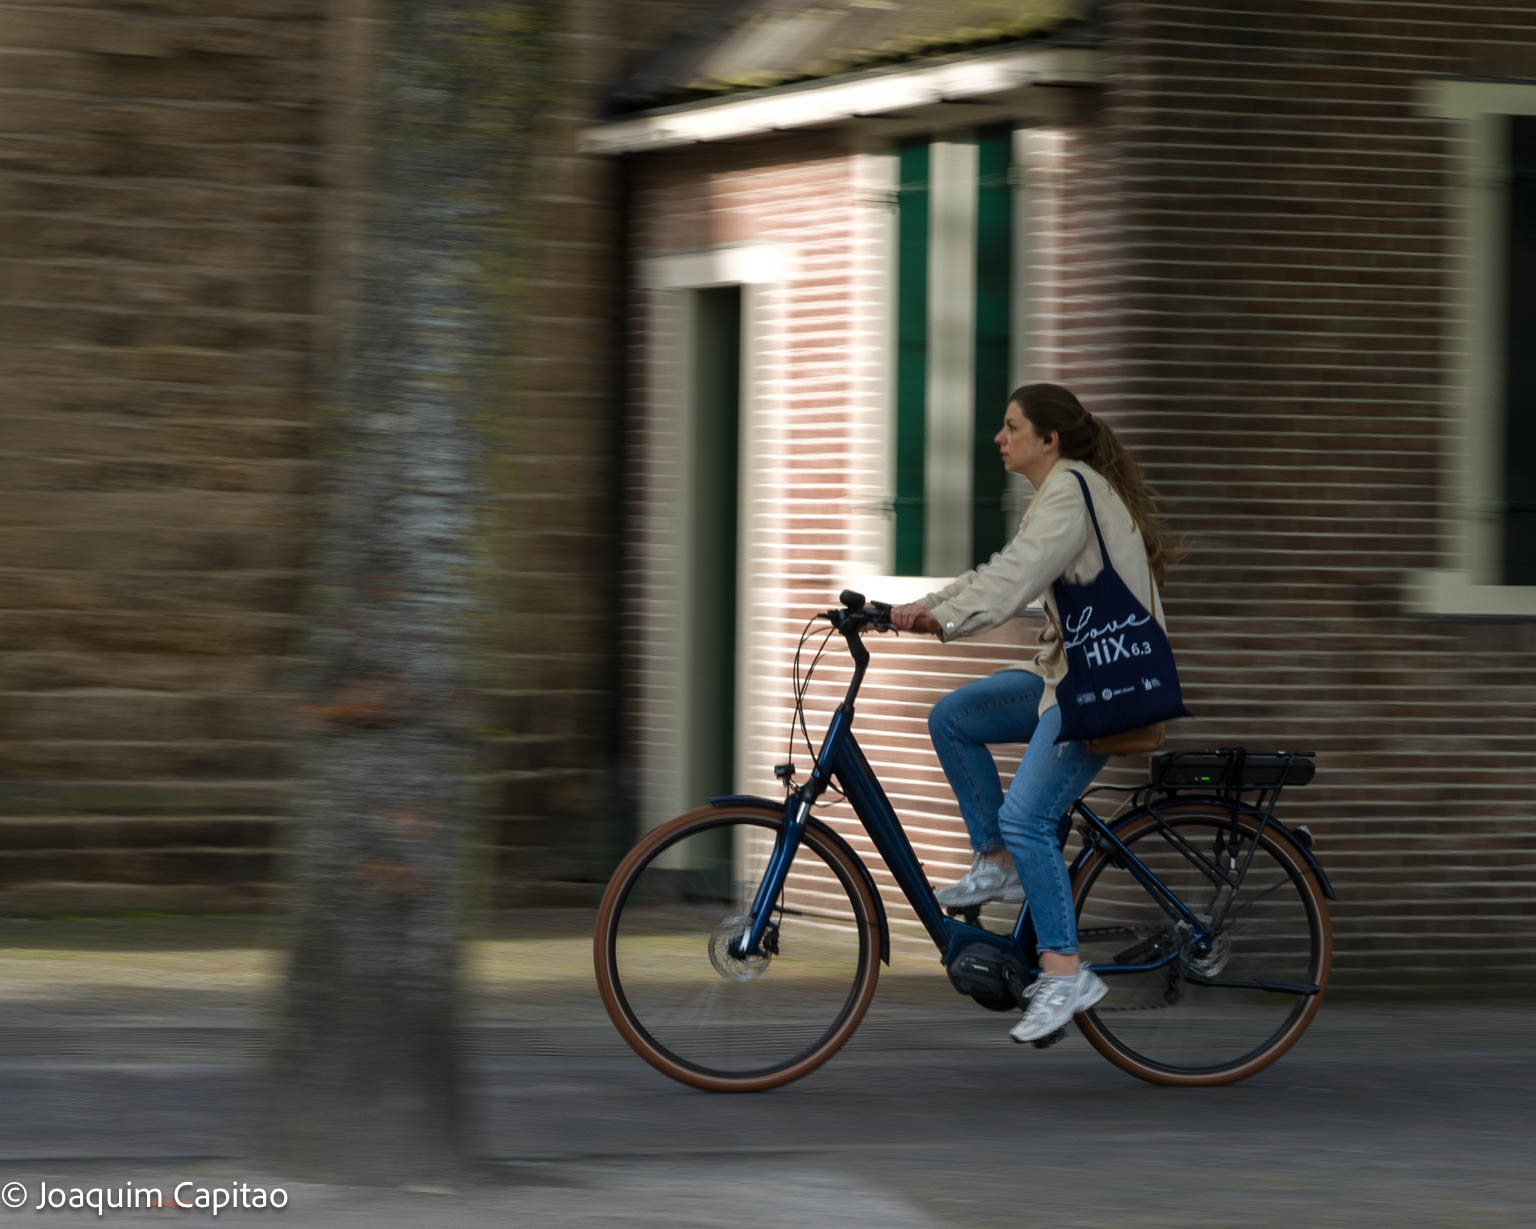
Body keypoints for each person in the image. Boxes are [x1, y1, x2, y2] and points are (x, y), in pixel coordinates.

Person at [889, 383, 1183, 1043]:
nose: (1000, 437)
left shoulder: (1071, 491)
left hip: (1103, 683)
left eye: (1011, 425)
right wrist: (912, 608)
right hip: (1062, 674)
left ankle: (1064, 971)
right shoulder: (1056, 494)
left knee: (1029, 815)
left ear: (1047, 439)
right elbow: (999, 571)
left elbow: (1014, 581)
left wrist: (939, 617)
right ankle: (998, 860)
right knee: (954, 716)